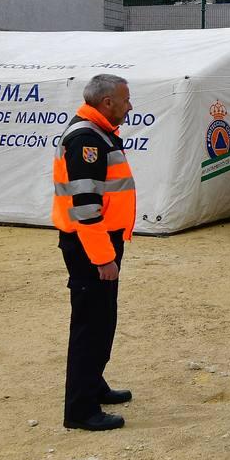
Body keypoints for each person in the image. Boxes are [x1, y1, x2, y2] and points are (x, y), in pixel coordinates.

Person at [53, 74, 138, 431]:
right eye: (126, 99)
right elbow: (85, 206)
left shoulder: (98, 132)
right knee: (91, 325)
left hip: (102, 241)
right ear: (108, 103)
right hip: (92, 246)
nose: (130, 106)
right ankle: (80, 410)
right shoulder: (86, 138)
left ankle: (94, 384)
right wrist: (103, 257)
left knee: (103, 321)